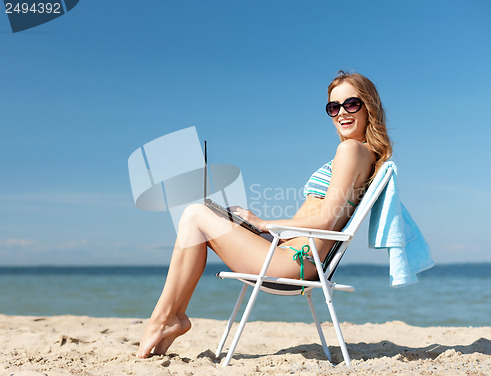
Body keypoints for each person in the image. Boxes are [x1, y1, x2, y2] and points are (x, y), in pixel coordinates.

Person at [137, 71, 392, 358]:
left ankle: (167, 318)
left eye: (351, 104)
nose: (341, 113)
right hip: (293, 255)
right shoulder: (364, 154)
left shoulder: (350, 150)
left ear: (369, 105)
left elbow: (326, 220)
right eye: (334, 107)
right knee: (199, 216)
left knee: (194, 215)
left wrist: (264, 224)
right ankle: (171, 317)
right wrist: (258, 229)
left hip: (293, 263)